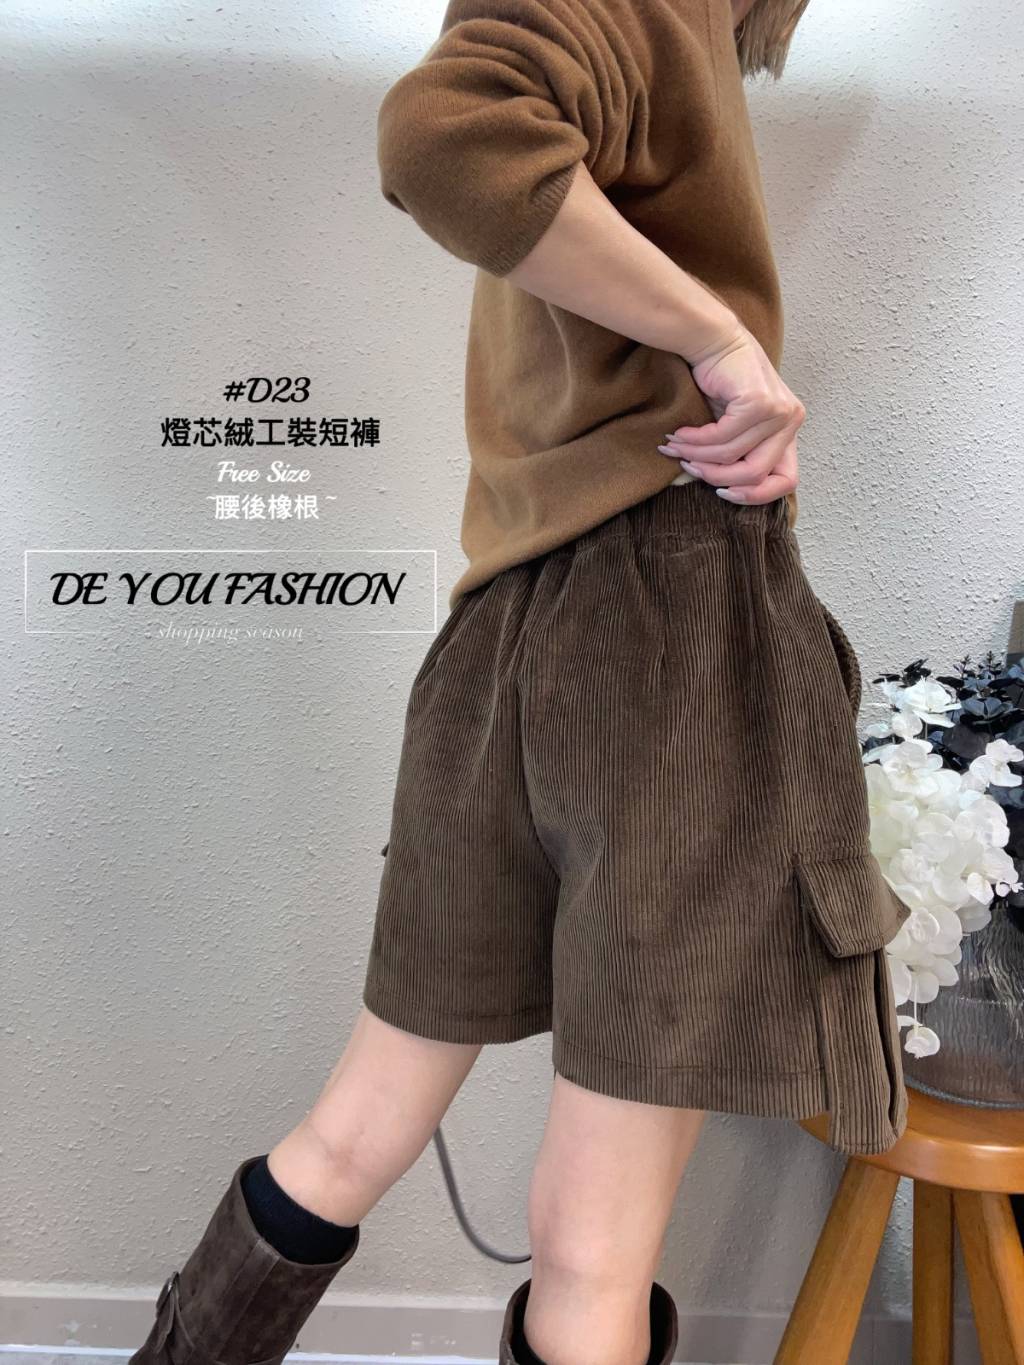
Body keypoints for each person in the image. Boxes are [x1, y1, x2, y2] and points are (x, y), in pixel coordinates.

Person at [130, 2, 911, 1363]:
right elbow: (446, 136)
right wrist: (720, 339)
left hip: (505, 626)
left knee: (353, 1131)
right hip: (677, 631)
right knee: (597, 1245)